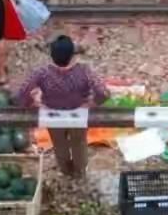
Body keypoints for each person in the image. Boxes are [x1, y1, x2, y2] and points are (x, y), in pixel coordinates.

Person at [17, 35, 110, 178]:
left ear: (52, 55)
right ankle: (79, 172)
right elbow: (103, 93)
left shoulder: (42, 72)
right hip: (78, 114)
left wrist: (33, 104)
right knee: (79, 143)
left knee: (59, 144)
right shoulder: (84, 71)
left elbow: (22, 93)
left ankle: (66, 170)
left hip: (53, 114)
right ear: (72, 55)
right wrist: (90, 104)